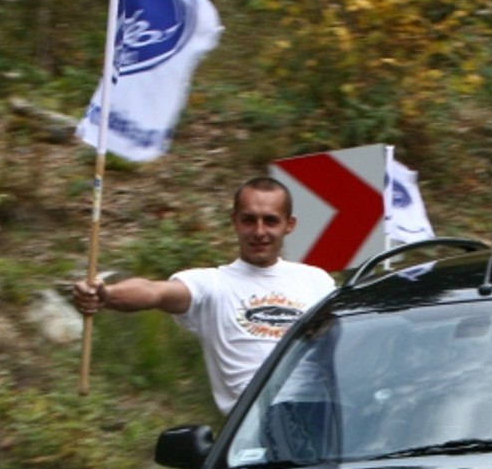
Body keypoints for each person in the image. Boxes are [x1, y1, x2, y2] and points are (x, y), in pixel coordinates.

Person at [72, 177, 336, 413]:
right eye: (248, 220)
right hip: (254, 425)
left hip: (326, 415)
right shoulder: (212, 284)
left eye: (270, 220)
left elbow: (344, 343)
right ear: (234, 222)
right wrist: (106, 294)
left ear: (289, 225)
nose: (259, 232)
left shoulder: (316, 280)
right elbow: (155, 292)